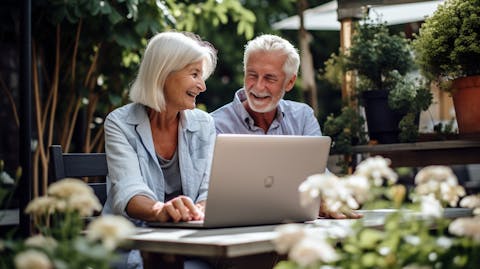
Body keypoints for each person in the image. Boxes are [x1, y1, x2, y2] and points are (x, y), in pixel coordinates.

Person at [211, 34, 361, 219]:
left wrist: (334, 196)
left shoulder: (302, 117)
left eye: (269, 78)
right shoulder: (214, 125)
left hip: (295, 223)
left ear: (289, 82)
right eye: (252, 75)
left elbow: (319, 174)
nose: (258, 87)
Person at [103, 31, 217, 269]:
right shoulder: (120, 123)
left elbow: (210, 189)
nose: (202, 85)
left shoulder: (204, 124)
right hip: (133, 243)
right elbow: (129, 192)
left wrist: (199, 210)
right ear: (163, 73)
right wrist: (160, 210)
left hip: (190, 244)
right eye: (194, 74)